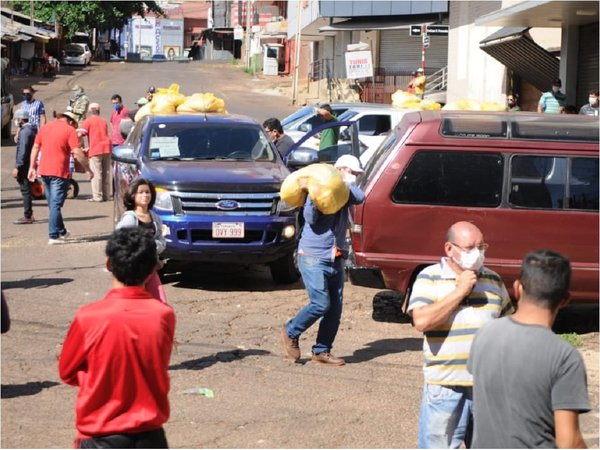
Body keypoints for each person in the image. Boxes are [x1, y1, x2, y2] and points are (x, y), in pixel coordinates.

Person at [58, 227, 176, 449]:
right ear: (153, 270)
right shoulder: (163, 315)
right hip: (150, 434)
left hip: (100, 432)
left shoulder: (88, 317)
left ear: (109, 264)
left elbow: (67, 371)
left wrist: (98, 377)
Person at [406, 221, 514, 449]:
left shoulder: (493, 280)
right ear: (449, 249)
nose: (477, 254)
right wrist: (461, 290)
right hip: (446, 388)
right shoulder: (429, 277)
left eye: (482, 247)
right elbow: (422, 321)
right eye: (469, 248)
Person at [468, 250, 590, 449]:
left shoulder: (485, 334)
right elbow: (569, 442)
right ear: (566, 300)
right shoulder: (565, 357)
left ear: (517, 288)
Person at [281, 154, 365, 366]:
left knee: (334, 309)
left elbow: (360, 195)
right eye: (352, 172)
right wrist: (316, 195)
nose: (355, 177)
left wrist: (342, 185)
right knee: (320, 304)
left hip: (336, 256)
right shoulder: (318, 191)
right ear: (340, 169)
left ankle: (322, 351)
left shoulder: (345, 192)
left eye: (356, 174)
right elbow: (310, 218)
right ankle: (291, 330)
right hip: (313, 255)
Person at [27, 111, 93, 245]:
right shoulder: (69, 130)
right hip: (59, 172)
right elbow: (77, 152)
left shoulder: (45, 128)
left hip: (44, 171)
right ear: (70, 121)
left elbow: (35, 148)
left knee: (53, 204)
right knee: (56, 205)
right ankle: (53, 235)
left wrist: (31, 167)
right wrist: (88, 169)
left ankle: (62, 231)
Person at [116, 178, 167, 304]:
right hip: (134, 271)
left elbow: (161, 239)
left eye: (148, 192)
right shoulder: (130, 219)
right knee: (134, 302)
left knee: (159, 301)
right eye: (141, 192)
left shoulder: (154, 217)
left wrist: (154, 246)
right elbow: (120, 242)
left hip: (151, 268)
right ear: (133, 195)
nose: (145, 195)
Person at [80, 103, 112, 202]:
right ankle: (106, 195)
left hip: (96, 149)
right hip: (107, 147)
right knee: (106, 173)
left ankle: (97, 196)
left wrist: (81, 147)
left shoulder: (88, 121)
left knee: (96, 173)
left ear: (90, 111)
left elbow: (81, 133)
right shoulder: (103, 121)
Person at [12, 109, 38, 224]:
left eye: (17, 119)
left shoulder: (25, 132)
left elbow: (22, 150)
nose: (16, 121)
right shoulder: (29, 129)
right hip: (28, 163)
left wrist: (17, 166)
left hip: (24, 164)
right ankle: (29, 214)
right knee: (26, 189)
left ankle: (28, 215)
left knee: (25, 190)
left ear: (21, 119)